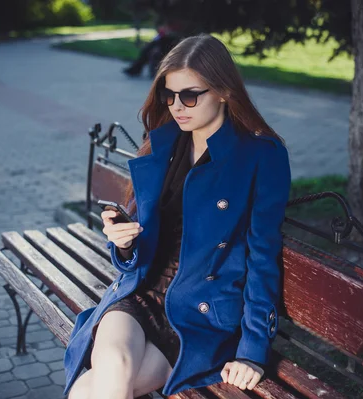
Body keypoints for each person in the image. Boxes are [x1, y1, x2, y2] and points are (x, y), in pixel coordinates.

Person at [64, 34, 292, 399]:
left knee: (93, 389)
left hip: (198, 320)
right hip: (139, 298)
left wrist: (252, 352)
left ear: (222, 91)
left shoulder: (260, 156)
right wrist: (123, 244)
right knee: (117, 367)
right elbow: (139, 247)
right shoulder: (165, 143)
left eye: (189, 95)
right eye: (169, 96)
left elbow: (263, 258)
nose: (177, 107)